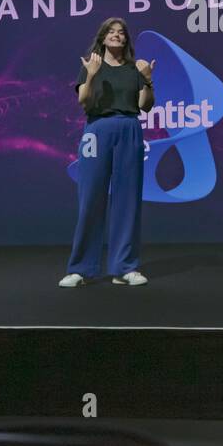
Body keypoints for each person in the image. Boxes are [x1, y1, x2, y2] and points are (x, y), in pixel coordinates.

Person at [60, 18, 155, 287]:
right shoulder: (92, 65)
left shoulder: (134, 68)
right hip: (97, 130)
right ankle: (81, 269)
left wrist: (147, 81)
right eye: (111, 33)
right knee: (91, 198)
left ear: (126, 40)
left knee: (127, 200)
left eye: (121, 33)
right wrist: (90, 74)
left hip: (129, 129)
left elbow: (146, 106)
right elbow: (83, 101)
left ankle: (125, 268)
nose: (116, 36)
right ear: (103, 38)